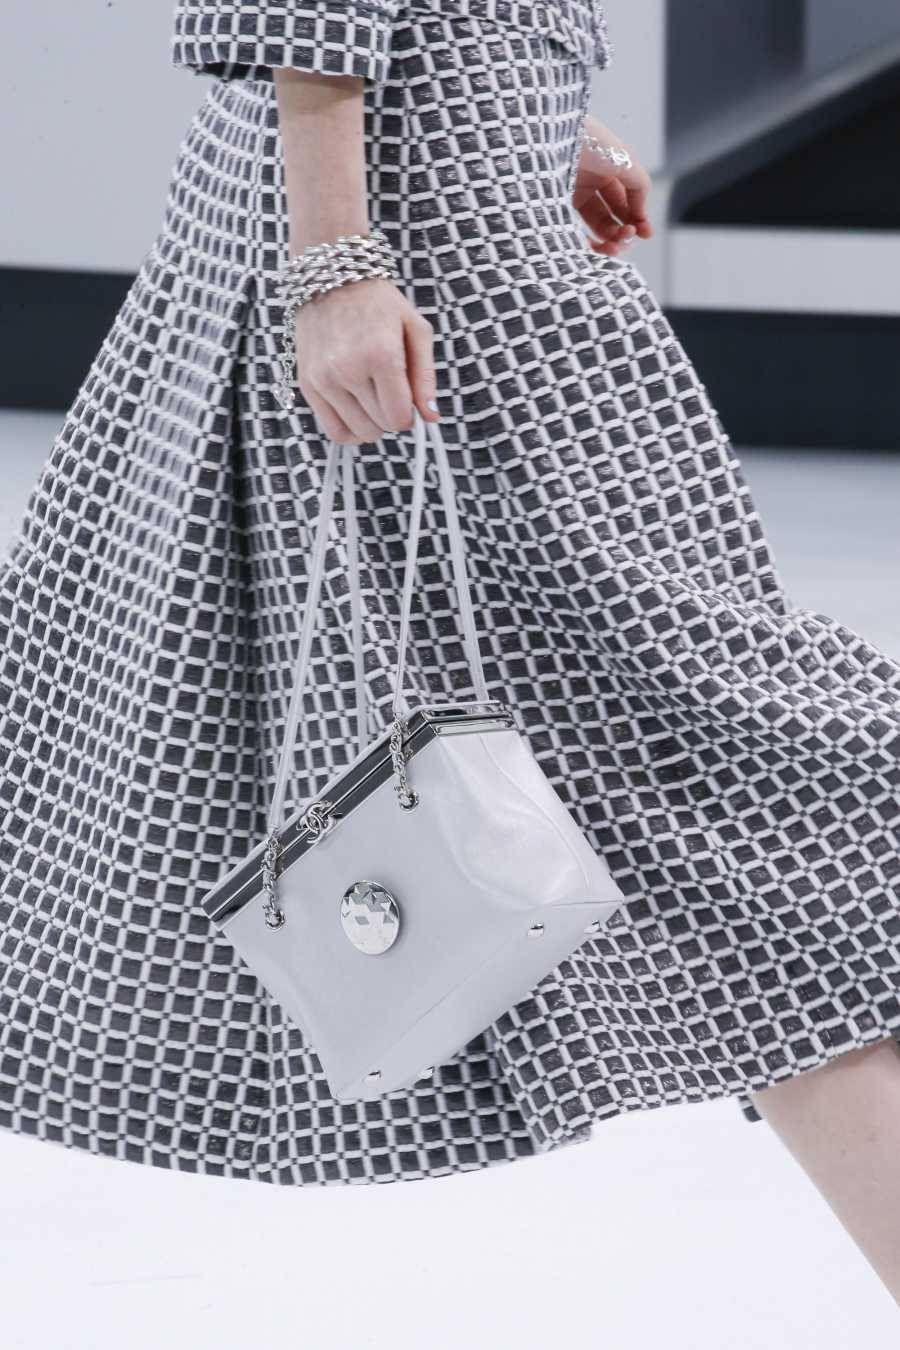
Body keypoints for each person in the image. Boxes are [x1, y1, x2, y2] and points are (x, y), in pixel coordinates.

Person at [1, 0, 898, 1300]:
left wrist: (541, 105)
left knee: (711, 797)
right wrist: (335, 259)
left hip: (447, 185)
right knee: (730, 791)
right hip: (416, 229)